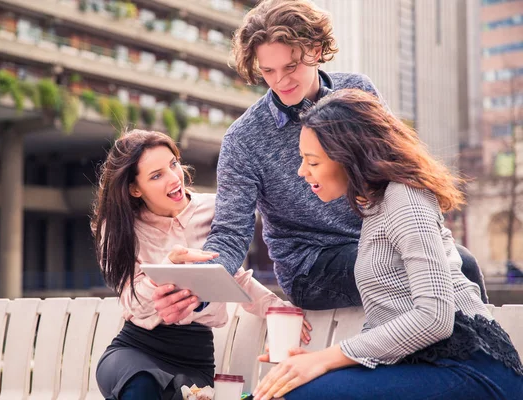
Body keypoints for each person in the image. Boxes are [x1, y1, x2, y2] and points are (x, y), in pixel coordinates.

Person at [152, 0, 487, 322]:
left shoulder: (357, 91)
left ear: (315, 49)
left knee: (461, 261)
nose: (280, 81)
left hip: (380, 240)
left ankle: (483, 359)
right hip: (311, 267)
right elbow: (230, 233)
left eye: (290, 66)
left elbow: (400, 167)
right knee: (448, 269)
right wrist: (199, 286)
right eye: (268, 70)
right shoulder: (243, 140)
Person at [251, 89, 523, 400]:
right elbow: (390, 324)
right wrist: (317, 361)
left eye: (311, 161)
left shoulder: (404, 196)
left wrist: (324, 359)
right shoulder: (373, 208)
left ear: (347, 156)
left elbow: (435, 318)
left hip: (473, 370)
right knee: (293, 388)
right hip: (426, 365)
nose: (302, 171)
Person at [90, 129, 310, 400]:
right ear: (135, 189)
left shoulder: (215, 210)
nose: (173, 178)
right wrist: (166, 267)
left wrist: (281, 310)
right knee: (142, 384)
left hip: (194, 357)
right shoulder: (119, 228)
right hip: (134, 348)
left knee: (180, 394)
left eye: (173, 164)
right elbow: (132, 301)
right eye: (156, 175)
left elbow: (232, 279)